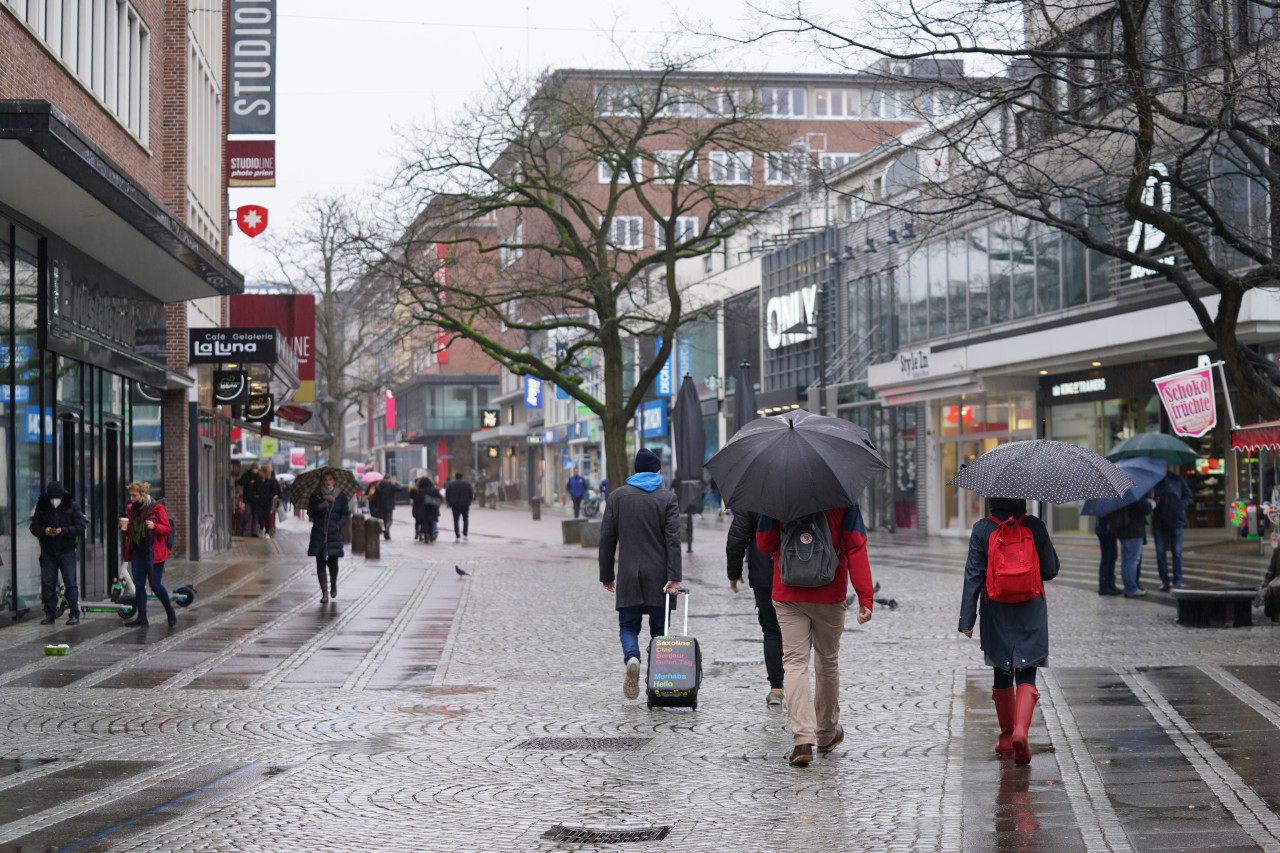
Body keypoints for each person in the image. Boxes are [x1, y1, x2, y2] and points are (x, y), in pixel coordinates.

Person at [757, 504, 873, 768]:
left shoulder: (777, 495)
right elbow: (856, 546)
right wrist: (865, 596)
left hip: (788, 592)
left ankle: (802, 740)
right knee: (827, 661)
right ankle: (827, 734)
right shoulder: (843, 497)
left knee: (795, 662)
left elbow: (765, 544)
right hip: (830, 593)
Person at [958, 497, 1060, 766]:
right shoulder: (1035, 526)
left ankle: (1006, 738)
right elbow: (1050, 570)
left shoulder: (982, 529)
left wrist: (966, 620)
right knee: (1027, 670)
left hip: (996, 610)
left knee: (1001, 668)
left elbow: (973, 576)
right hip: (1030, 609)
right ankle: (1021, 732)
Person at [599, 448, 682, 701]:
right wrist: (675, 576)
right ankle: (657, 681)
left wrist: (606, 574)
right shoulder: (667, 498)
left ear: (635, 470)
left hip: (628, 575)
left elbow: (606, 538)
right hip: (660, 578)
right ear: (657, 470)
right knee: (660, 631)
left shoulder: (617, 497)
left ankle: (632, 657)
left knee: (627, 626)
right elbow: (673, 541)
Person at [726, 508, 784, 706]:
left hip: (764, 573)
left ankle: (777, 688)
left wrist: (734, 573)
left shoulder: (752, 493)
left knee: (771, 631)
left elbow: (736, 539)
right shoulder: (804, 486)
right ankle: (797, 682)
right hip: (800, 570)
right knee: (801, 630)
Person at [30, 481, 87, 626]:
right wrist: (45, 531)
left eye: (57, 497)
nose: (54, 500)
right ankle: (50, 614)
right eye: (52, 497)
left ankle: (74, 614)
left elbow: (80, 526)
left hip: (66, 550)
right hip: (48, 550)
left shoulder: (72, 505)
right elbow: (34, 527)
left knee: (70, 583)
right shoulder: (42, 506)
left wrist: (63, 531)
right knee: (48, 583)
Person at [121, 481, 175, 628]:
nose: (131, 499)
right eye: (130, 495)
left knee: (155, 585)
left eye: (134, 496)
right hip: (138, 551)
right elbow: (130, 533)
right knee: (139, 585)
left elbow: (167, 529)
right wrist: (124, 528)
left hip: (154, 552)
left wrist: (155, 526)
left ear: (143, 495)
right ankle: (142, 618)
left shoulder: (157, 508)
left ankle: (170, 612)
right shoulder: (131, 509)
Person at [307, 472, 350, 603]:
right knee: (320, 563)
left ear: (334, 481)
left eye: (330, 479)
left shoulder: (341, 496)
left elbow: (345, 513)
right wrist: (320, 507)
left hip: (333, 533)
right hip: (319, 533)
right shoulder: (316, 495)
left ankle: (334, 584)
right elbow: (310, 512)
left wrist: (339, 525)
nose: (327, 482)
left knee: (333, 563)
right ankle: (324, 593)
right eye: (325, 480)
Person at [1152, 468, 1194, 591]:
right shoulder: (1153, 481)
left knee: (1177, 551)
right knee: (1161, 553)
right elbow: (1147, 499)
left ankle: (1177, 580)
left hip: (1176, 521)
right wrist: (1153, 500)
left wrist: (1180, 506)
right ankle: (1165, 580)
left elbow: (1189, 496)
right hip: (1160, 522)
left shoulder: (1177, 479)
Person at [1107, 494, 1153, 598]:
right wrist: (1151, 502)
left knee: (1126, 560)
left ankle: (1128, 587)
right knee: (1133, 560)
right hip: (1135, 530)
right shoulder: (1135, 492)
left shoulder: (1120, 493)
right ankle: (1131, 588)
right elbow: (1144, 508)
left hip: (1123, 529)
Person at [367, 476, 401, 540]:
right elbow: (399, 489)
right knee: (389, 520)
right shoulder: (391, 485)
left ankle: (387, 535)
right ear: (388, 479)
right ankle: (387, 529)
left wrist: (375, 506)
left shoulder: (378, 486)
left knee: (385, 520)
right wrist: (395, 483)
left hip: (380, 506)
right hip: (389, 505)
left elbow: (375, 497)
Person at [1095, 512, 1121, 595]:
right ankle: (1104, 586)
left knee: (1112, 557)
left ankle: (1110, 584)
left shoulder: (1107, 501)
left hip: (1108, 530)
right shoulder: (1105, 501)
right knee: (1107, 558)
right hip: (1106, 530)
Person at [445, 472, 474, 542]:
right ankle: (465, 533)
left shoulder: (451, 484)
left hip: (454, 505)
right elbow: (471, 493)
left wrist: (449, 502)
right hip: (465, 504)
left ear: (455, 477)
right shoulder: (467, 484)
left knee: (456, 520)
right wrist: (469, 501)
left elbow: (447, 494)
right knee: (465, 519)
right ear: (462, 477)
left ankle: (457, 535)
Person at [412, 476, 442, 543]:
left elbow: (416, 501)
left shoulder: (419, 491)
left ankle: (426, 534)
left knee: (424, 522)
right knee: (431, 522)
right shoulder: (434, 490)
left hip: (423, 510)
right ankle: (431, 535)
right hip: (432, 509)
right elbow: (440, 498)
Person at [257, 465, 283, 539]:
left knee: (266, 516)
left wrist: (269, 496)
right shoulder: (259, 479)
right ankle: (262, 528)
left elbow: (274, 491)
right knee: (260, 516)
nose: (259, 472)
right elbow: (256, 488)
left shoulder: (271, 480)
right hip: (260, 500)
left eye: (261, 471)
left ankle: (267, 531)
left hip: (267, 501)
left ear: (264, 471)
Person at [237, 464, 261, 537]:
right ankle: (242, 529)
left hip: (256, 498)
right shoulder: (246, 474)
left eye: (256, 468)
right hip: (248, 498)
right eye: (254, 468)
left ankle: (253, 532)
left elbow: (260, 486)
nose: (255, 470)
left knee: (255, 515)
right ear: (251, 468)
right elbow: (240, 482)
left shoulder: (258, 476)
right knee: (247, 513)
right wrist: (248, 481)